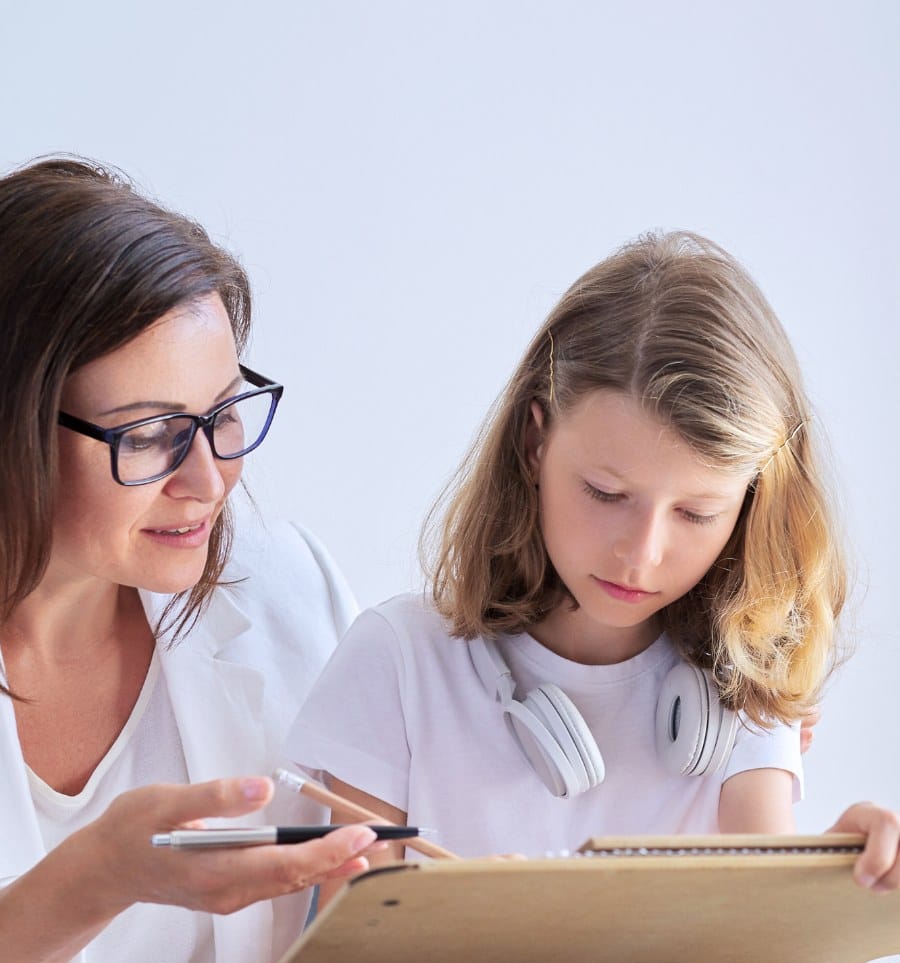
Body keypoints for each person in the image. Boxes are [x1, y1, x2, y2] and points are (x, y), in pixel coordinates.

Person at [0, 157, 382, 963]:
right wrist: (101, 876)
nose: (209, 479)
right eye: (155, 433)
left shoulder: (275, 586)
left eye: (226, 414)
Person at [287, 231, 900, 888]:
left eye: (697, 513)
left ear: (750, 506)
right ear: (534, 442)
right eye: (606, 493)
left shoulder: (740, 686)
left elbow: (765, 945)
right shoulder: (400, 663)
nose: (642, 554)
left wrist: (841, 883)